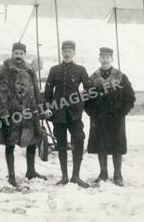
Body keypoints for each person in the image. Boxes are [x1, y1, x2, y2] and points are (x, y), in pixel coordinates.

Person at [0, 42, 47, 187]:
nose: (18, 56)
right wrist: (3, 113)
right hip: (12, 114)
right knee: (10, 143)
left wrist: (40, 109)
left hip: (29, 112)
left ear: (25, 54)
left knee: (32, 141)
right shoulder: (2, 70)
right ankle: (12, 176)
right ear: (12, 53)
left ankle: (31, 171)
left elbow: (35, 90)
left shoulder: (30, 69)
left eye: (21, 53)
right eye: (16, 53)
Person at [84, 47, 135, 186]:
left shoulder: (120, 76)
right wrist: (93, 113)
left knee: (116, 146)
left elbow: (130, 97)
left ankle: (118, 174)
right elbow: (86, 98)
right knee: (101, 146)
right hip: (99, 118)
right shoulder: (93, 77)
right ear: (99, 58)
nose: (105, 59)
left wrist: (121, 111)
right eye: (102, 57)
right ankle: (103, 173)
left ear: (112, 59)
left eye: (108, 57)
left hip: (116, 118)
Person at [44, 40, 92, 188]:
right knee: (61, 143)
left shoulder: (80, 70)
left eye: (70, 51)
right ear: (61, 52)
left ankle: (75, 176)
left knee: (78, 140)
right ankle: (64, 176)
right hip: (58, 113)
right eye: (64, 50)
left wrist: (80, 103)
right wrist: (47, 107)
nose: (67, 53)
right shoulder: (54, 70)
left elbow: (89, 90)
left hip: (74, 114)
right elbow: (47, 93)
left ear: (74, 53)